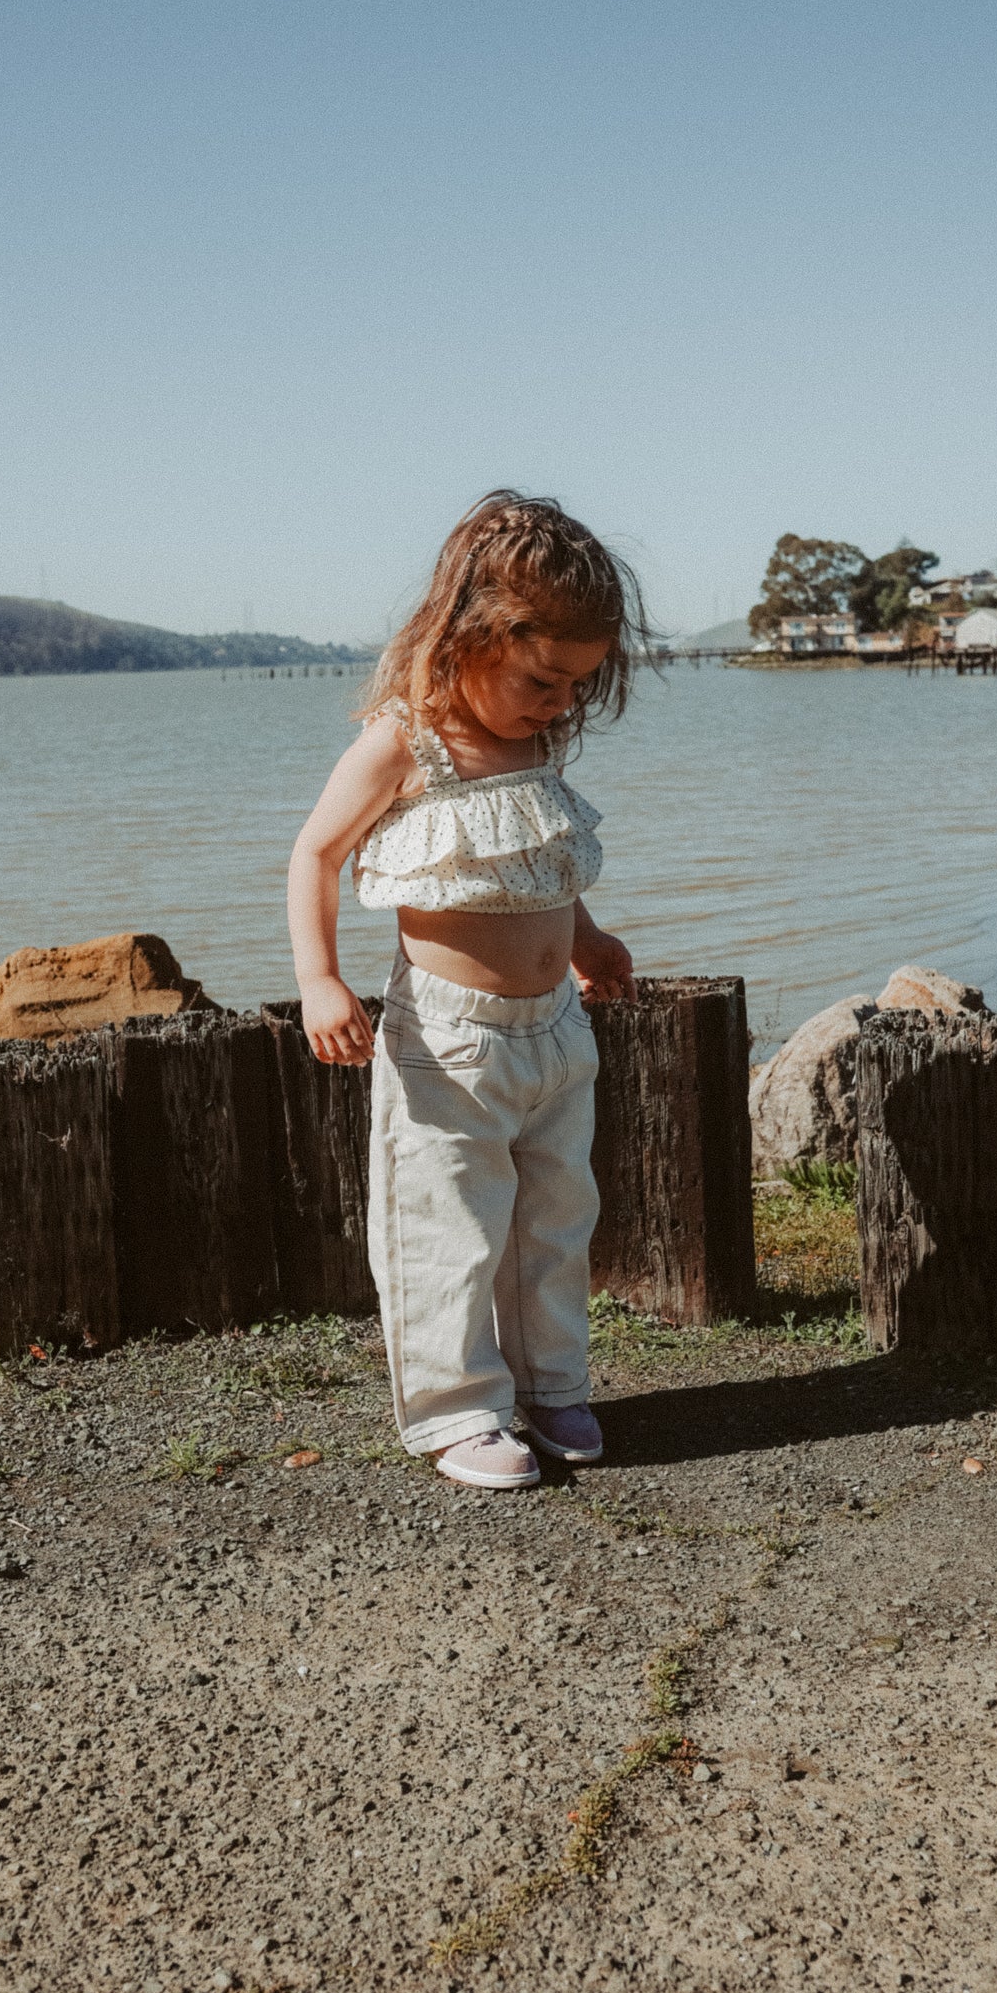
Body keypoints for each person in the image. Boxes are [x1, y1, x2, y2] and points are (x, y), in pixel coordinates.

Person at [287, 491, 649, 1490]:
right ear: (473, 633)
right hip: (448, 1042)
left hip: (555, 1031)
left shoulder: (535, 743)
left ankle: (551, 1381)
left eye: (578, 685)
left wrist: (588, 936)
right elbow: (316, 855)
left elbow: (532, 865)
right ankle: (460, 1406)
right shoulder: (409, 743)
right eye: (543, 677)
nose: (560, 703)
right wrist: (321, 979)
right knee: (448, 1221)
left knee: (555, 1213)